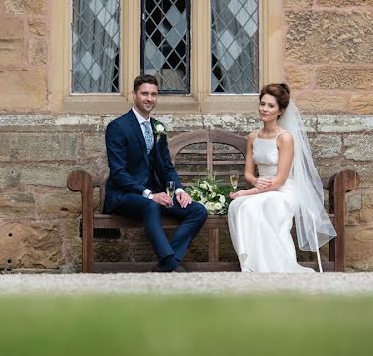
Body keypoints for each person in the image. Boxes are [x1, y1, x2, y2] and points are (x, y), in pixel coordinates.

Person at [104, 74, 208, 272]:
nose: (149, 98)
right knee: (151, 206)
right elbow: (118, 173)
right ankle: (171, 264)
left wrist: (178, 190)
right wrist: (150, 194)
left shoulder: (158, 127)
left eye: (153, 94)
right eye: (144, 93)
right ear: (134, 94)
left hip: (155, 194)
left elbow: (167, 167)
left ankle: (166, 264)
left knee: (198, 210)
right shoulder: (118, 127)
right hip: (124, 196)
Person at [227, 83, 336, 273]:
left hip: (284, 191)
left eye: (270, 106)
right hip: (262, 189)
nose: (264, 109)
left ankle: (277, 269)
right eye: (262, 104)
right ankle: (253, 267)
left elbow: (280, 180)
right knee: (237, 206)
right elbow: (248, 173)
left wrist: (249, 191)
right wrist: (254, 182)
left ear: (280, 111)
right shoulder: (253, 136)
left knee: (254, 205)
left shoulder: (285, 138)